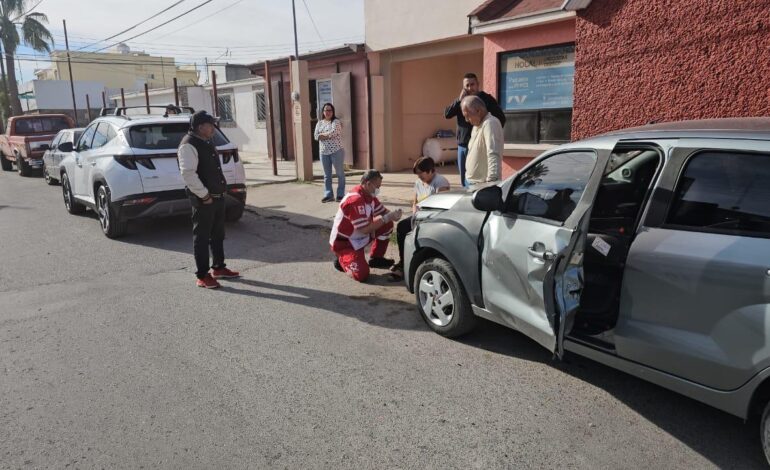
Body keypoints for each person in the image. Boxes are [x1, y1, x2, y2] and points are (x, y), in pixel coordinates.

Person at [178, 110, 240, 289]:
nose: (214, 127)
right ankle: (203, 275)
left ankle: (219, 268)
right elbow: (188, 174)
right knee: (202, 238)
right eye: (210, 124)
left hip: (217, 197)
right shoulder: (188, 145)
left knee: (218, 234)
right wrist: (204, 195)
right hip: (204, 199)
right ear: (200, 127)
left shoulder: (206, 140)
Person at [330, 170, 403, 282]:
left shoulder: (369, 195)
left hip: (359, 237)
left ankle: (376, 258)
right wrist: (386, 218)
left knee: (387, 224)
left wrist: (394, 215)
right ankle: (342, 259)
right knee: (361, 274)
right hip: (345, 243)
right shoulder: (355, 200)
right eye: (377, 186)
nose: (378, 189)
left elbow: (383, 212)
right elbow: (365, 229)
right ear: (368, 184)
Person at [389, 157, 450, 280]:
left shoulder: (440, 182)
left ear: (430, 170)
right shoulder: (418, 183)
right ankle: (403, 262)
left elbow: (440, 208)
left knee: (420, 232)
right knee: (402, 227)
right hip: (420, 216)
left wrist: (421, 220)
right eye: (417, 174)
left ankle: (417, 264)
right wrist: (415, 215)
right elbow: (415, 203)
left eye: (421, 173)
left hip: (434, 218)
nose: (419, 177)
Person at [444, 72, 506, 187]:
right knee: (466, 179)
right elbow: (447, 114)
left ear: (478, 84)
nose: (469, 88)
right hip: (463, 144)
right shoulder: (462, 101)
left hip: (481, 144)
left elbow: (501, 119)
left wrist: (488, 133)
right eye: (466, 86)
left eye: (472, 84)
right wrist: (459, 100)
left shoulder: (487, 101)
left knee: (478, 174)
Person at [461, 95, 504, 188]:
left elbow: (493, 153)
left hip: (483, 185)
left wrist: (492, 182)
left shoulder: (490, 123)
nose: (466, 120)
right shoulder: (477, 125)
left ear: (478, 111)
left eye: (467, 116)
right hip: (471, 182)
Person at [314, 102, 346, 203]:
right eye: (326, 110)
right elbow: (316, 136)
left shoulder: (336, 122)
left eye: (329, 110)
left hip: (336, 151)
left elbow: (333, 133)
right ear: (323, 112)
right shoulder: (319, 123)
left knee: (340, 173)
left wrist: (322, 135)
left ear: (333, 112)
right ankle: (328, 195)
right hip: (323, 152)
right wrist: (326, 135)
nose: (327, 112)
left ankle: (340, 194)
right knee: (327, 175)